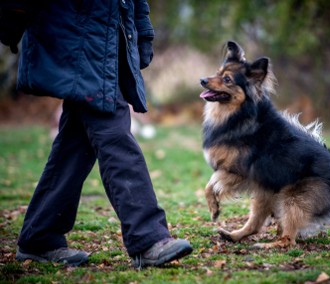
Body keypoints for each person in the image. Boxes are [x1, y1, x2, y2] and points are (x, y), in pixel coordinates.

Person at [0, 0, 192, 268]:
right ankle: (148, 238)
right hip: (76, 38)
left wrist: (143, 32)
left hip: (106, 40)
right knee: (113, 130)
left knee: (75, 144)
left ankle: (39, 237)